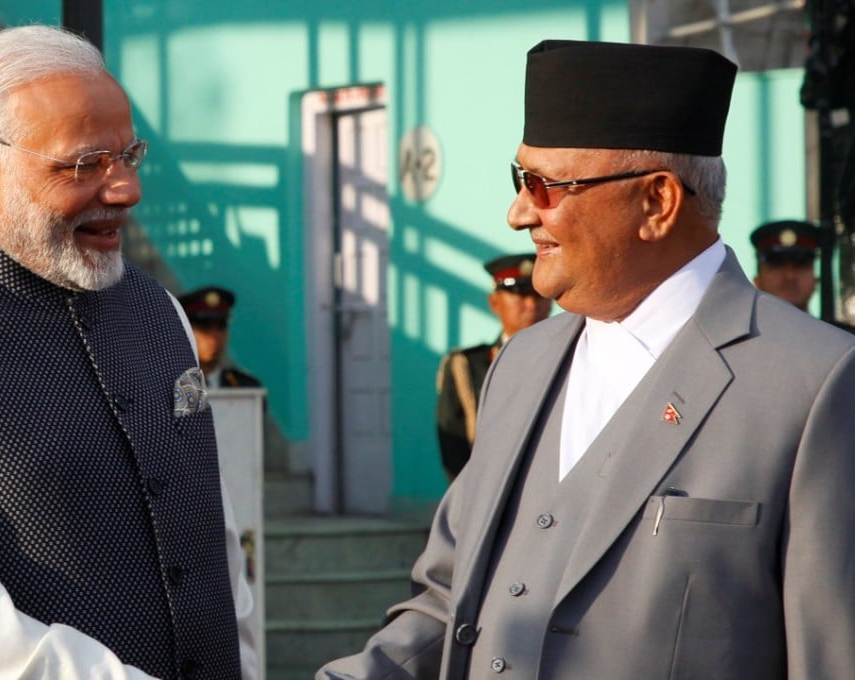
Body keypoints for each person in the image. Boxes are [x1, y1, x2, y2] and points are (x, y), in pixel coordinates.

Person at [319, 39, 855, 679]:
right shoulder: (521, 365)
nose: (519, 212)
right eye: (520, 181)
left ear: (656, 202)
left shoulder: (816, 382)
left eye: (546, 186)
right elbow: (447, 607)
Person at [0, 25, 257, 680]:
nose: (125, 190)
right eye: (86, 163)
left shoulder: (159, 312)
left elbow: (215, 544)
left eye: (130, 156)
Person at [435, 253, 550, 481]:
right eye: (520, 295)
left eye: (539, 295)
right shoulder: (465, 365)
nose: (531, 304)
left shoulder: (577, 353)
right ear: (495, 302)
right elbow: (453, 446)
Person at [178, 285, 262, 389]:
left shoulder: (246, 387)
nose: (214, 336)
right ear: (186, 331)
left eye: (221, 326)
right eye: (204, 327)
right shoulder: (167, 387)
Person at [750, 219, 819, 311]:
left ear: (815, 281)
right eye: (777, 266)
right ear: (757, 281)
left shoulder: (831, 326)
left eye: (800, 266)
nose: (790, 276)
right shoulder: (737, 325)